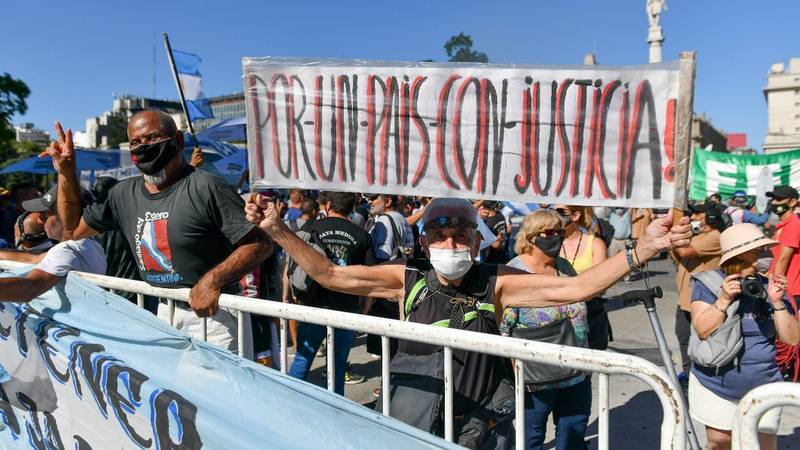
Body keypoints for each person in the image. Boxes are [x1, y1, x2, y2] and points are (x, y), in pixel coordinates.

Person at [245, 196, 692, 448]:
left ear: (478, 239)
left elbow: (576, 289)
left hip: (482, 425)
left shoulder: (496, 281)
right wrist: (277, 229)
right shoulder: (407, 277)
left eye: (461, 234)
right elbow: (330, 274)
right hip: (415, 420)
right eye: (439, 235)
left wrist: (643, 251)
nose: (451, 242)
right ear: (424, 240)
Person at [44, 114, 273, 355]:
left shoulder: (207, 187)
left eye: (152, 137)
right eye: (135, 142)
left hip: (215, 316)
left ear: (177, 140)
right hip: (163, 312)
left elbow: (259, 244)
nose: (143, 147)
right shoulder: (122, 194)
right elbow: (71, 230)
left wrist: (212, 280)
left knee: (217, 392)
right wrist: (67, 173)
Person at [689, 223, 800, 450]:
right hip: (716, 385)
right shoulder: (709, 284)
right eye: (758, 251)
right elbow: (703, 329)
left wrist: (777, 302)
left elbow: (792, 339)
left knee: (762, 445)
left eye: (766, 250)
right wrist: (723, 299)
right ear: (738, 256)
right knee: (720, 442)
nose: (766, 256)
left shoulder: (772, 287)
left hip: (764, 386)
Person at [500, 209, 590, 450]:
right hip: (536, 379)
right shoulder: (514, 272)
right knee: (531, 438)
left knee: (574, 432)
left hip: (576, 371)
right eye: (550, 232)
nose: (558, 237)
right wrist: (515, 376)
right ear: (531, 237)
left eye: (561, 232)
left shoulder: (564, 266)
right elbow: (503, 330)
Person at [285, 192, 374, 395]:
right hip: (346, 307)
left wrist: (291, 294)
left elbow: (291, 266)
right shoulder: (362, 235)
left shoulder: (312, 228)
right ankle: (336, 410)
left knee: (303, 358)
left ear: (328, 205)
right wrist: (365, 307)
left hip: (313, 304)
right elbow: (370, 277)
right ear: (352, 208)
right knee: (338, 363)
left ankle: (289, 402)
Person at [0, 188, 106, 302]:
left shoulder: (67, 249)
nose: (40, 221)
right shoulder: (88, 243)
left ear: (66, 216)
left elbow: (30, 288)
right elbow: (34, 259)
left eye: (44, 215)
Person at [671, 202, 722, 387]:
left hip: (702, 300)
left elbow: (685, 251)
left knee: (700, 341)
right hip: (685, 298)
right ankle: (688, 373)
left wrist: (673, 235)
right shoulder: (700, 235)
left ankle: (699, 378)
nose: (693, 218)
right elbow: (680, 257)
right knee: (683, 336)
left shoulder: (715, 237)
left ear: (711, 219)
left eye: (698, 215)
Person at [553, 205, 607, 274]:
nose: (555, 217)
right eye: (553, 212)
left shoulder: (595, 244)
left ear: (575, 216)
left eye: (560, 212)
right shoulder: (549, 242)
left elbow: (600, 277)